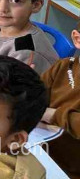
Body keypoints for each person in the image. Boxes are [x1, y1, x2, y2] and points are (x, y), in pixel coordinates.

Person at [40, 20, 80, 178]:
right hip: (40, 152)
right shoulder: (63, 67)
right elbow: (35, 96)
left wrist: (51, 115)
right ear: (77, 39)